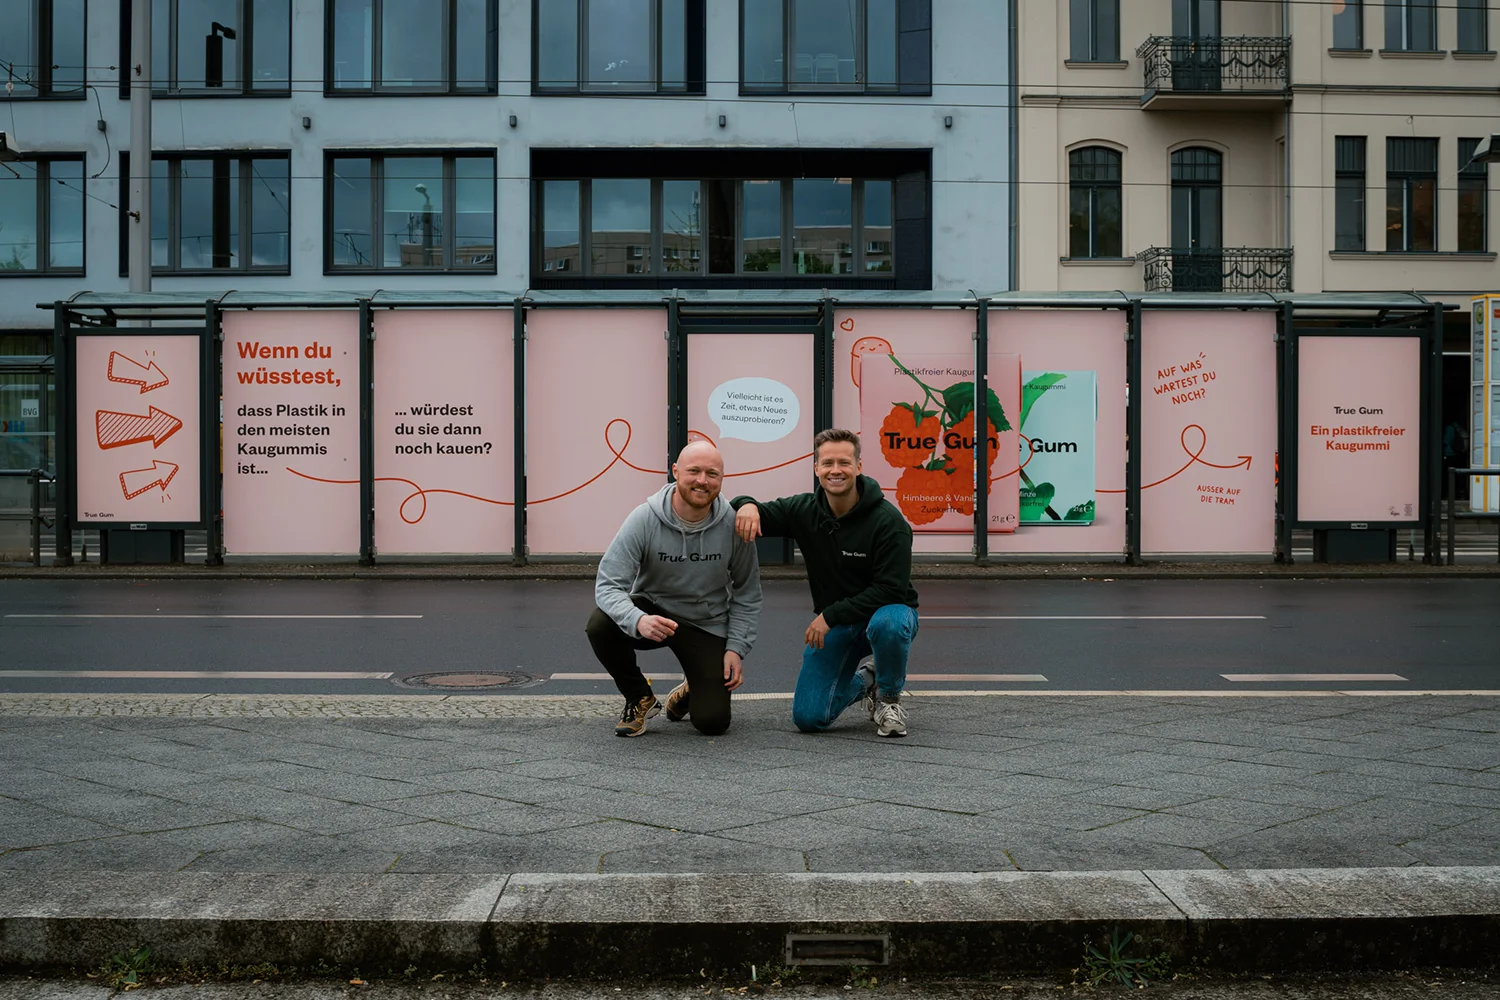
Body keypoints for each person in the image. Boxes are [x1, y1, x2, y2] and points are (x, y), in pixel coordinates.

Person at [732, 427, 919, 738]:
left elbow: (891, 590)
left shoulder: (889, 522)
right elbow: (756, 511)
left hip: (884, 613)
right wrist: (747, 504)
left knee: (890, 623)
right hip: (839, 625)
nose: (836, 470)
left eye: (844, 462)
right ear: (816, 467)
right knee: (809, 718)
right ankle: (868, 680)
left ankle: (888, 699)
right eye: (828, 463)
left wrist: (829, 616)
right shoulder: (803, 510)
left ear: (858, 466)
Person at [586, 440, 762, 738]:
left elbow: (748, 592)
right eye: (694, 471)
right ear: (676, 471)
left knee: (712, 723)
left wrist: (736, 648)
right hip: (654, 615)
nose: (702, 480)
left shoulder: (734, 524)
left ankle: (693, 687)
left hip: (706, 623)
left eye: (712, 474)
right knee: (600, 624)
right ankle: (639, 697)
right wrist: (637, 619)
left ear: (722, 478)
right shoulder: (644, 518)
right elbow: (608, 585)